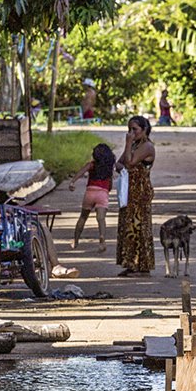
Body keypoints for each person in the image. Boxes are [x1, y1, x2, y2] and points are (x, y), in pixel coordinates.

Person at [116, 116, 156, 276]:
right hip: (129, 191)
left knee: (139, 226)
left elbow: (130, 162)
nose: (131, 133)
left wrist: (127, 145)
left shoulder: (147, 146)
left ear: (144, 130)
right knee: (128, 225)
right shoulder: (134, 144)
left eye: (135, 130)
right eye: (129, 130)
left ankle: (142, 265)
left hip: (140, 191)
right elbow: (119, 163)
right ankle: (131, 263)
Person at [68, 143, 116, 252]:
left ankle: (76, 240)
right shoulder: (108, 168)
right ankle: (102, 240)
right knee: (101, 219)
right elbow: (110, 185)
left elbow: (81, 172)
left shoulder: (92, 165)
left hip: (90, 192)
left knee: (83, 217)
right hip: (102, 194)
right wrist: (106, 191)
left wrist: (72, 182)